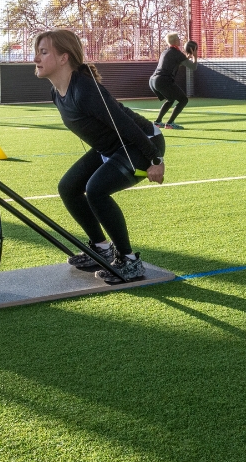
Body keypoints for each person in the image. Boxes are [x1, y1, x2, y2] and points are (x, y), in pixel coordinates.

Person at [34, 28, 165, 284]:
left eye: (43, 52)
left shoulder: (85, 89)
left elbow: (125, 123)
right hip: (115, 145)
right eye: (37, 52)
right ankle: (100, 249)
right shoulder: (57, 92)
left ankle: (129, 261)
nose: (36, 59)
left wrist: (155, 160)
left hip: (142, 142)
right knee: (69, 187)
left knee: (96, 190)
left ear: (64, 58)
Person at [149, 33, 197, 128]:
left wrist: (186, 58)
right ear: (175, 41)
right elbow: (193, 67)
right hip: (164, 80)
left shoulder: (165, 51)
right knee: (183, 100)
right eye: (178, 38)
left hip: (153, 80)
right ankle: (170, 123)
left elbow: (174, 64)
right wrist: (195, 56)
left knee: (170, 99)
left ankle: (158, 122)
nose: (180, 40)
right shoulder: (177, 53)